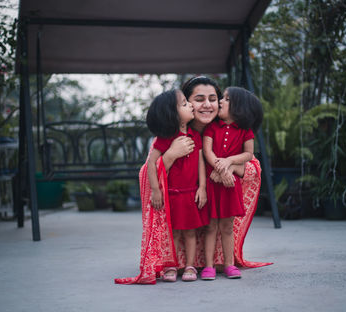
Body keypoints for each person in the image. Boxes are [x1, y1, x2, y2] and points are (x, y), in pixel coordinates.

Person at [114, 76, 272, 285]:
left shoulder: (226, 126)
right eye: (198, 99)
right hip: (182, 203)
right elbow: (146, 172)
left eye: (213, 98)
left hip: (215, 201)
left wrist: (229, 167)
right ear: (185, 104)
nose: (207, 105)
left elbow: (253, 166)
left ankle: (217, 261)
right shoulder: (170, 134)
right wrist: (170, 155)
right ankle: (177, 262)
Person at [201, 86, 263, 280]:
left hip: (230, 186)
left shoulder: (245, 131)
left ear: (239, 107)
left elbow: (248, 154)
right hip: (213, 185)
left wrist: (228, 162)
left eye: (226, 99)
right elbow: (207, 151)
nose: (220, 101)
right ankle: (209, 266)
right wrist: (219, 167)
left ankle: (229, 264)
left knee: (227, 227)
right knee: (210, 227)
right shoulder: (212, 127)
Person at [145, 89, 208, 282]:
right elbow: (151, 165)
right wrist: (156, 190)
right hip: (170, 195)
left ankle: (190, 266)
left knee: (190, 233)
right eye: (184, 104)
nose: (190, 105)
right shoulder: (165, 140)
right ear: (172, 115)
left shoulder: (195, 136)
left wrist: (202, 187)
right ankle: (171, 266)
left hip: (190, 194)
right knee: (172, 233)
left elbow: (200, 163)